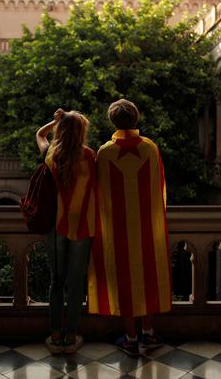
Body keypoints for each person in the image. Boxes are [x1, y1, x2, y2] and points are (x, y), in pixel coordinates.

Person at [88, 99, 171, 356]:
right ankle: (148, 333)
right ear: (136, 119)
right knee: (147, 275)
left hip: (117, 229)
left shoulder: (104, 152)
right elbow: (161, 188)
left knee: (122, 277)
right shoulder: (150, 148)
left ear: (112, 121)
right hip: (147, 226)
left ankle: (131, 338)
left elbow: (97, 192)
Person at [36, 108, 96, 354]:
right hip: (82, 227)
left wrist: (55, 121)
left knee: (56, 281)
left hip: (55, 227)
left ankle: (55, 332)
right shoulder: (90, 156)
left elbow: (40, 134)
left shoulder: (51, 154)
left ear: (61, 131)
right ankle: (71, 335)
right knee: (75, 283)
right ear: (82, 132)